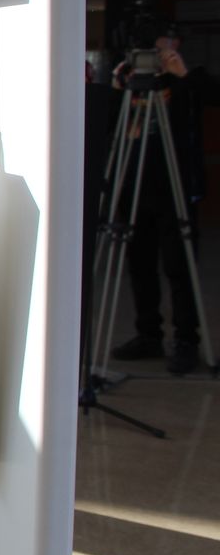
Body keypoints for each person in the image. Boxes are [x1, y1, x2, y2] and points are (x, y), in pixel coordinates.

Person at [108, 30, 203, 374]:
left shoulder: (183, 82)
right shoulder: (126, 82)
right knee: (140, 266)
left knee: (180, 267)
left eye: (165, 44)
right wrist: (116, 87)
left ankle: (186, 340)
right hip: (134, 186)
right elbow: (109, 126)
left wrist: (184, 77)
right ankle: (148, 334)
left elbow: (202, 103)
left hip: (174, 186)